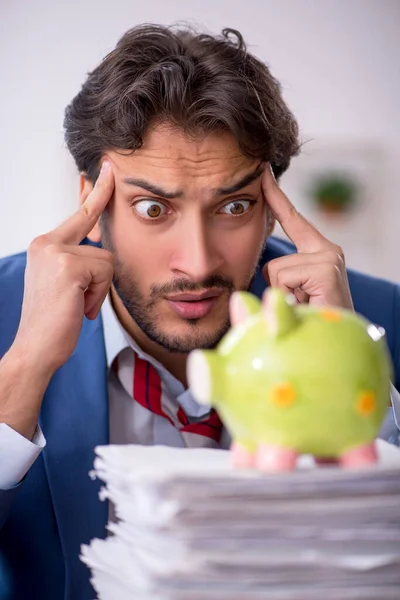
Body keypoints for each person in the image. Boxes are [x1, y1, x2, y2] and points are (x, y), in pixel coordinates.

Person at [0, 24, 399, 600]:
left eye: (234, 205)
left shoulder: (374, 318)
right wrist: (24, 370)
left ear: (273, 210)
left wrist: (351, 375)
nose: (197, 261)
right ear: (91, 202)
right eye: (153, 207)